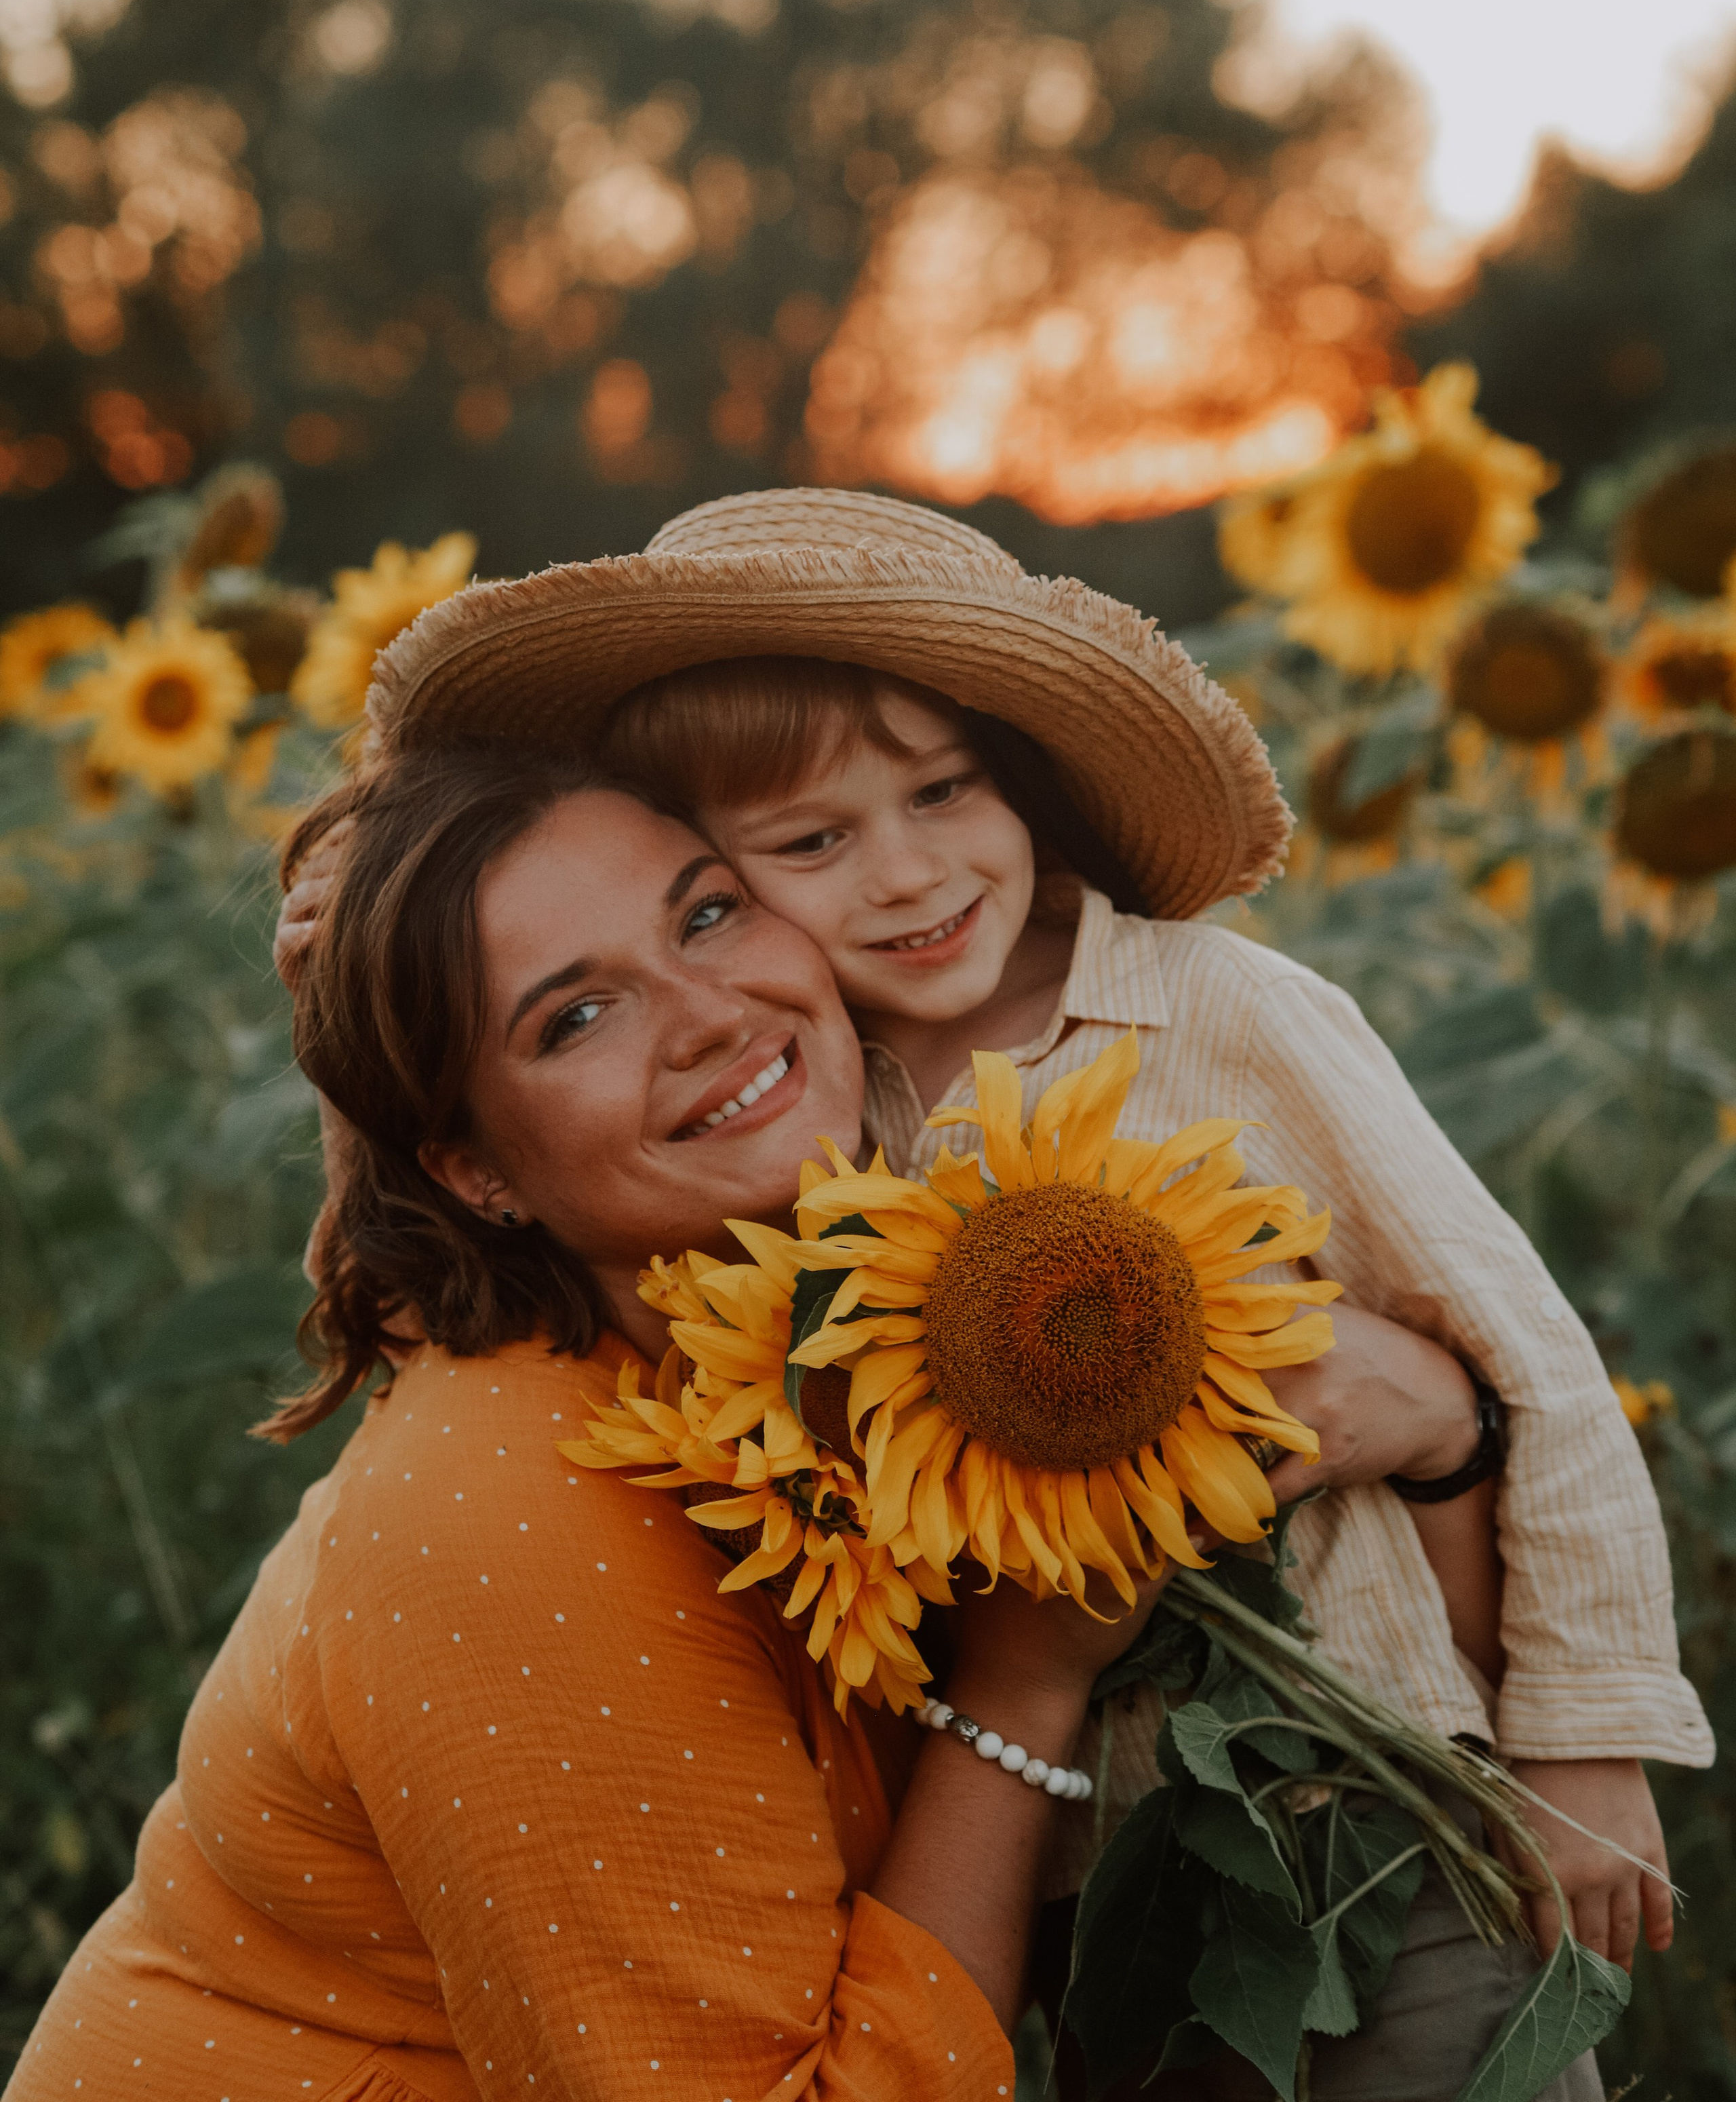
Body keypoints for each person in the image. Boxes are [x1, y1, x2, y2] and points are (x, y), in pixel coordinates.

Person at [321, 484, 1708, 2097]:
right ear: (726, 885)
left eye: (943, 789)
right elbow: (503, 1115)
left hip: (1373, 1804)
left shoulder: (1218, 1015)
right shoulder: (810, 1132)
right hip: (1093, 1893)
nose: (909, 876)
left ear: (1017, 775)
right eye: (811, 845)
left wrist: (1581, 1744)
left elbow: (1522, 1356)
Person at [10, 745, 1200, 2102]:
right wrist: (1023, 1686)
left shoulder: (782, 1343)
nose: (709, 1015)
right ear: (473, 1170)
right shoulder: (513, 1523)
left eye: (705, 913)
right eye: (574, 1019)